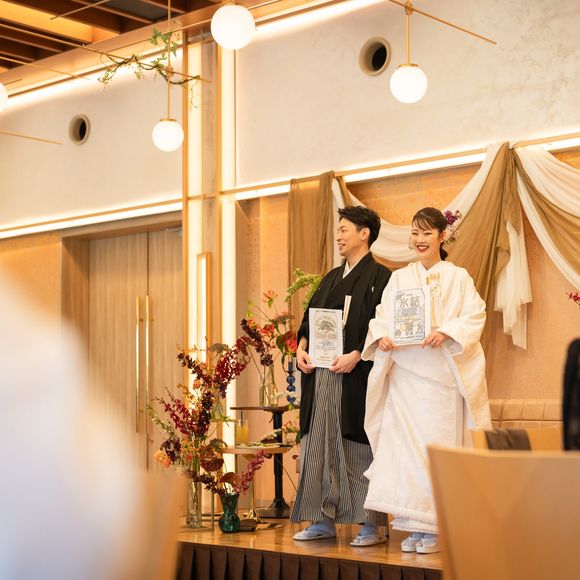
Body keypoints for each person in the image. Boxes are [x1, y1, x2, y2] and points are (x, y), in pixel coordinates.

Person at [361, 207, 491, 554]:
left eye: (427, 233)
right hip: (405, 378)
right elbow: (382, 316)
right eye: (415, 233)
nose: (420, 240)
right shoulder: (400, 278)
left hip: (439, 379)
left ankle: (435, 526)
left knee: (435, 449)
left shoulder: (458, 277)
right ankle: (414, 523)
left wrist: (446, 332)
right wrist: (383, 336)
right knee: (406, 453)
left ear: (441, 236)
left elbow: (474, 315)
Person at [291, 205, 392, 547]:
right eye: (338, 230)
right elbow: (308, 321)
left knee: (357, 445)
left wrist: (358, 354)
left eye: (344, 229)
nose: (338, 236)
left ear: (365, 233)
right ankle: (321, 519)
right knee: (317, 443)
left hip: (356, 375)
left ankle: (370, 524)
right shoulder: (331, 278)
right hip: (322, 375)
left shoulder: (382, 278)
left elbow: (383, 326)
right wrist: (301, 348)